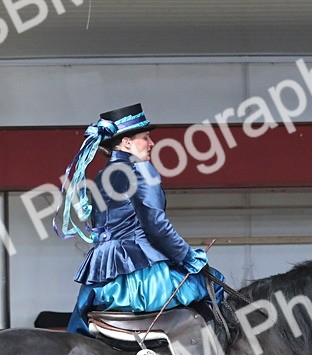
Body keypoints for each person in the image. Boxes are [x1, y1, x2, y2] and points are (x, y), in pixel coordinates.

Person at [57, 103, 220, 335]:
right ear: (127, 142)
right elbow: (156, 227)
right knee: (211, 283)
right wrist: (187, 256)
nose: (152, 143)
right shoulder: (141, 170)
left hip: (103, 276)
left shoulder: (103, 176)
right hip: (138, 274)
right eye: (145, 137)